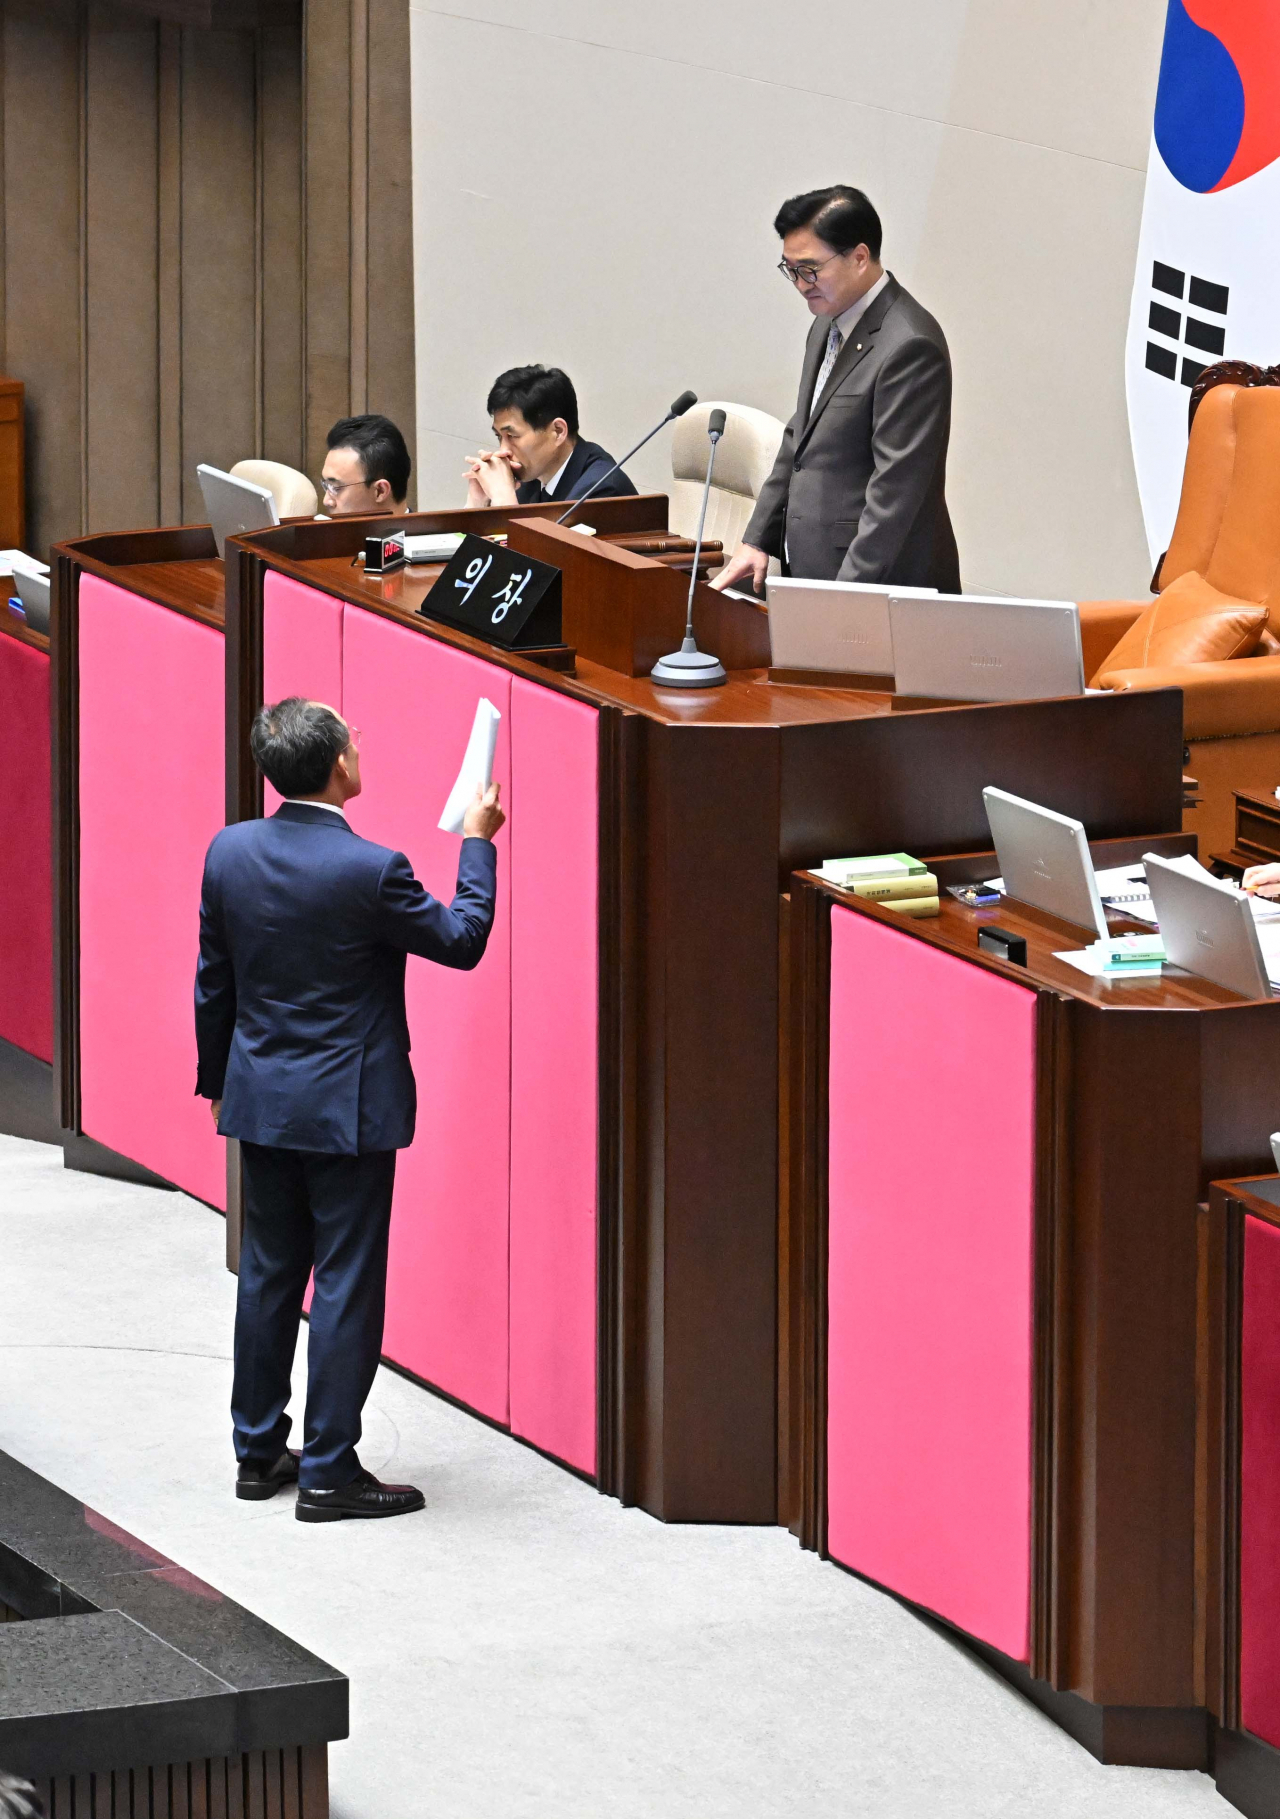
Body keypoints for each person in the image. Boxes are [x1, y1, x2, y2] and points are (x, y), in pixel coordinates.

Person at [195, 697, 503, 1522]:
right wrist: (479, 839)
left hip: (260, 1099)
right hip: (349, 1110)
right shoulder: (372, 870)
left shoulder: (228, 851)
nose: (360, 740)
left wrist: (217, 1076)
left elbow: (213, 978)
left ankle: (258, 1454)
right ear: (337, 767)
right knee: (344, 1283)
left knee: (267, 1275)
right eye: (351, 737)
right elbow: (463, 938)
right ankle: (329, 1469)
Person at [713, 184, 960, 597]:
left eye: (809, 269)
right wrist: (758, 539)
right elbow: (801, 438)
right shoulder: (827, 323)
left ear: (860, 257)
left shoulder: (910, 345)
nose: (799, 284)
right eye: (789, 269)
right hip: (814, 575)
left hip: (878, 589)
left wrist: (841, 601)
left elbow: (894, 497)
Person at [463, 365, 637, 507]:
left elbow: (536, 551)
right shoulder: (529, 478)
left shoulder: (601, 492)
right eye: (499, 437)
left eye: (512, 436)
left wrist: (503, 499)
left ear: (558, 431)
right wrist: (477, 503)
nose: (503, 451)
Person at [321, 414, 411, 515]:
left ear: (380, 491)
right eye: (327, 486)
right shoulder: (327, 530)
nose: (326, 501)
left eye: (335, 488)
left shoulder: (425, 530)